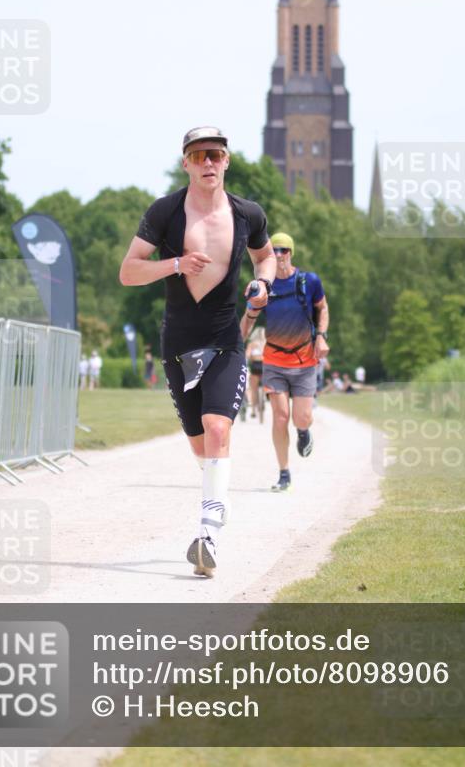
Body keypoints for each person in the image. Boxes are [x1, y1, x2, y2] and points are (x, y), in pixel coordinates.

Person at [119, 126, 275, 577]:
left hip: (226, 339)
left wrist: (261, 283)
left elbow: (264, 257)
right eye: (200, 155)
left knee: (218, 429)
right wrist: (175, 264)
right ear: (185, 162)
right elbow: (128, 272)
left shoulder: (247, 213)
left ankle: (208, 533)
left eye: (217, 154)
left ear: (227, 161)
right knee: (201, 445)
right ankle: (215, 495)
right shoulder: (166, 212)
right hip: (179, 343)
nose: (209, 162)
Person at [241, 232, 329, 492]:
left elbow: (322, 308)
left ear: (291, 253)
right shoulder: (263, 287)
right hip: (274, 361)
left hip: (304, 362)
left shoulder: (308, 282)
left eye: (283, 250)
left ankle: (303, 432)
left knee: (302, 418)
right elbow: (249, 318)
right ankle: (284, 473)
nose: (278, 255)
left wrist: (321, 337)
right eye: (274, 251)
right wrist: (235, 344)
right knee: (280, 417)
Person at [245, 327, 266, 418]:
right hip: (265, 367)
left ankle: (253, 409)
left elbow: (247, 355)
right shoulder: (267, 343)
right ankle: (263, 398)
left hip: (255, 366)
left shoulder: (252, 344)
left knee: (253, 389)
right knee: (266, 386)